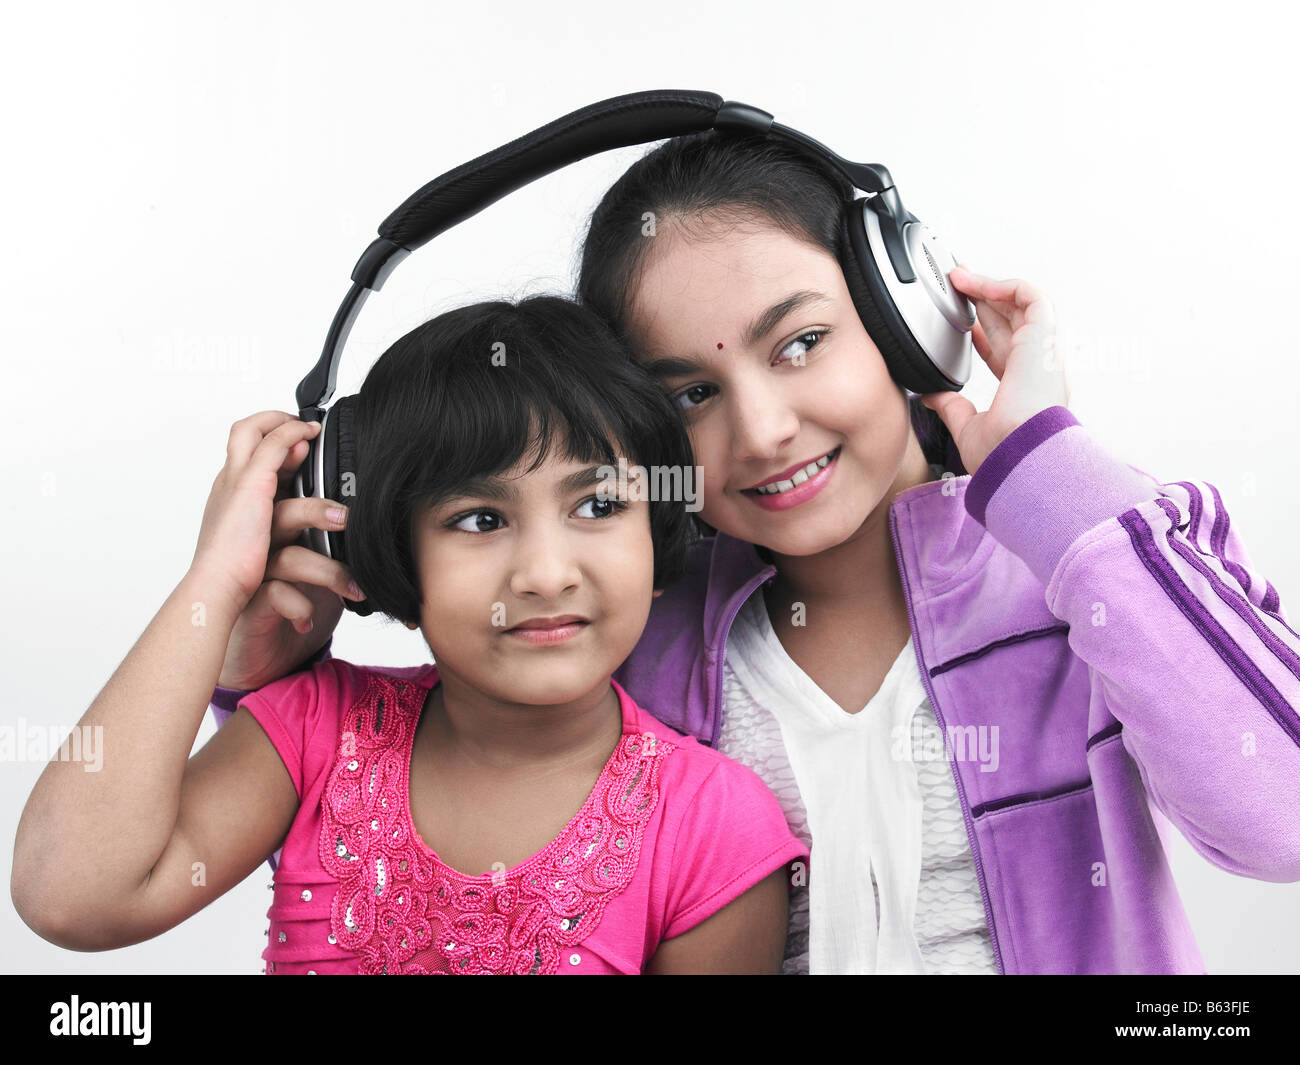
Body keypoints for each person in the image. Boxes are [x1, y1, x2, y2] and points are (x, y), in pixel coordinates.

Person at [206, 131, 1300, 974]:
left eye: (802, 343)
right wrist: (264, 669)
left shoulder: (1090, 560)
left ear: (905, 317)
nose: (765, 427)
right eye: (691, 392)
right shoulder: (630, 630)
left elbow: (1279, 822)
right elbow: (405, 796)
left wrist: (1049, 480)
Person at [12, 295, 808, 975]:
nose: (545, 573)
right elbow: (71, 893)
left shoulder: (712, 824)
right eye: (479, 518)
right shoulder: (317, 732)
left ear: (661, 531)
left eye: (598, 506)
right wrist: (214, 584)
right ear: (381, 547)